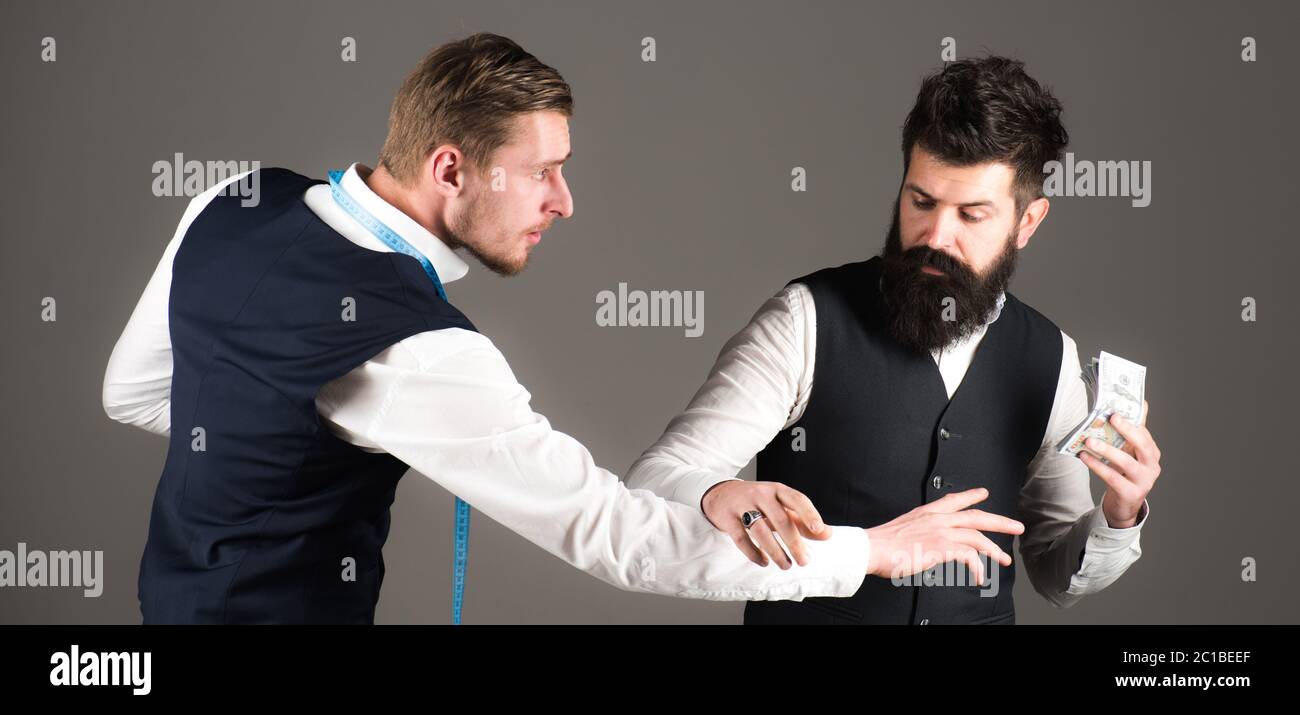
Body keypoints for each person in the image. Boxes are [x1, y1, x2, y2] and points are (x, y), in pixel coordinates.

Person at [103, 33, 982, 624]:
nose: (564, 202)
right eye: (541, 173)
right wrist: (870, 551)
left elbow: (132, 393)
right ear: (451, 169)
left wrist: (275, 439)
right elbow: (614, 534)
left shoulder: (231, 201)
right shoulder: (420, 352)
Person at [626, 56, 1163, 625]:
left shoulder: (1051, 358)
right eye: (921, 202)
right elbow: (655, 482)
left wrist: (1120, 514)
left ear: (1026, 223)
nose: (936, 236)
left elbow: (1057, 576)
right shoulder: (805, 321)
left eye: (972, 215)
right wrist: (718, 494)